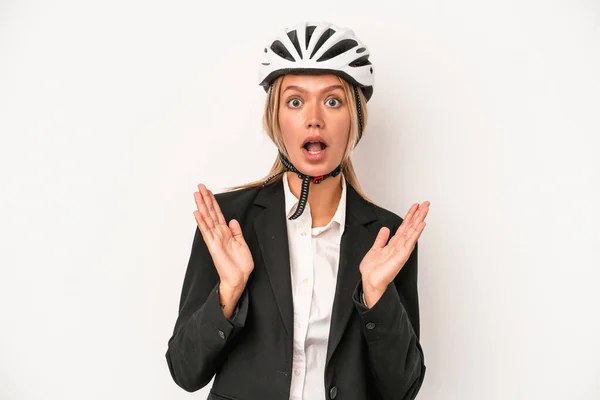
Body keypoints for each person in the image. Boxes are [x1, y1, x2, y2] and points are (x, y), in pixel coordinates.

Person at [165, 21, 430, 400]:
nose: (314, 118)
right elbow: (185, 371)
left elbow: (401, 389)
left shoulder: (388, 237)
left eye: (333, 100)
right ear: (277, 120)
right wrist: (229, 291)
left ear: (355, 118)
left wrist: (375, 295)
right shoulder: (227, 222)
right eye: (295, 101)